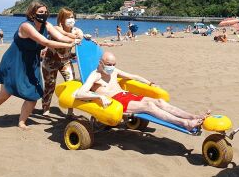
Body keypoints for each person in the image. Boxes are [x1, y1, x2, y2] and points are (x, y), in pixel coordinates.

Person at [0, 1, 79, 129]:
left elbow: (60, 37)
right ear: (32, 13)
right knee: (5, 94)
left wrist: (77, 40)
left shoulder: (46, 25)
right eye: (41, 12)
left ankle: (22, 122)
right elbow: (45, 41)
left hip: (32, 63)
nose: (44, 14)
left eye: (46, 12)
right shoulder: (26, 26)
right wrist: (69, 45)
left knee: (34, 93)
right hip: (15, 61)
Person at [75, 52, 208, 131]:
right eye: (109, 64)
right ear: (101, 63)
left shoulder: (114, 71)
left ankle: (192, 117)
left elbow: (134, 76)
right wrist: (99, 97)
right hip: (116, 101)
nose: (112, 67)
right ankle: (185, 123)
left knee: (159, 101)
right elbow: (79, 93)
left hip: (126, 96)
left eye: (114, 64)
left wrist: (150, 83)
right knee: (149, 106)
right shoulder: (95, 75)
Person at [41, 8, 83, 116]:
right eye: (68, 17)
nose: (71, 19)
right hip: (50, 61)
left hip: (66, 61)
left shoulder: (76, 30)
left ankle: (70, 111)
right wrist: (68, 34)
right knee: (50, 85)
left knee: (71, 83)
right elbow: (62, 37)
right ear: (61, 19)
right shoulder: (55, 28)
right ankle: (46, 108)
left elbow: (80, 37)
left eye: (72, 17)